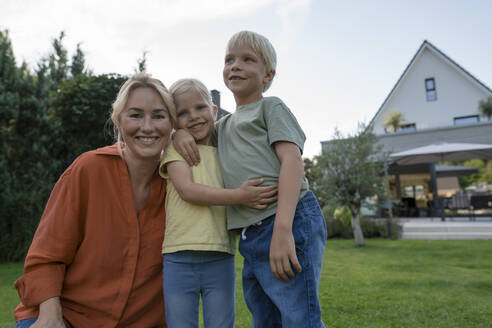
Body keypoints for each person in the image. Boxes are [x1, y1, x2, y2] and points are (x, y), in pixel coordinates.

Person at [174, 31, 327, 327]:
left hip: (288, 219)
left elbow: (293, 163)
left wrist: (283, 230)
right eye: (229, 59)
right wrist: (178, 132)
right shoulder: (223, 125)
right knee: (264, 316)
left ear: (268, 74)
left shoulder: (271, 108)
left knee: (298, 316)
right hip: (251, 234)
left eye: (247, 59)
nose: (235, 66)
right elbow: (196, 129)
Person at [13, 73, 175, 328]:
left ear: (172, 124)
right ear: (118, 121)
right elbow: (46, 256)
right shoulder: (88, 170)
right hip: (66, 316)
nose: (147, 127)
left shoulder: (181, 184)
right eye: (135, 115)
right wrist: (50, 315)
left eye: (158, 116)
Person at [160, 78, 277, 328]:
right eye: (182, 113)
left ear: (214, 111)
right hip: (179, 256)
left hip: (220, 255)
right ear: (173, 120)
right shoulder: (175, 149)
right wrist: (240, 196)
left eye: (200, 108)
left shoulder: (227, 146)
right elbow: (187, 190)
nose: (193, 117)